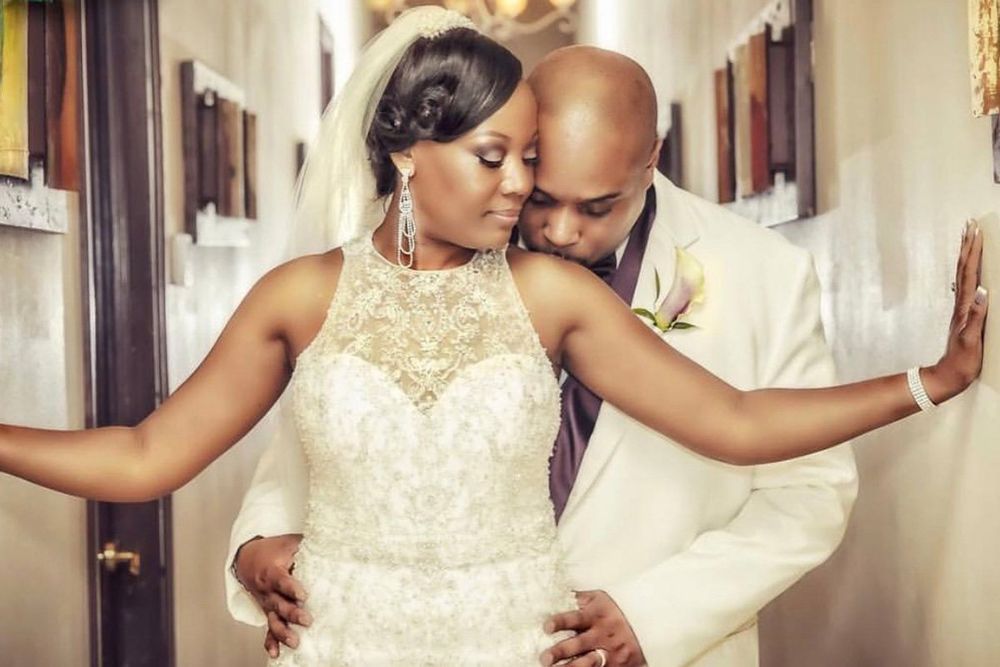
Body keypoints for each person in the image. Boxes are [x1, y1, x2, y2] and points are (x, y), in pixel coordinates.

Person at [0, 7, 988, 667]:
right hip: (350, 644)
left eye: (533, 162)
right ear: (404, 157)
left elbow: (735, 421)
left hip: (533, 641)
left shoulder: (558, 296)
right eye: (500, 160)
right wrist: (255, 542)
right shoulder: (301, 294)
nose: (529, 200)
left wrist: (925, 380)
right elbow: (157, 453)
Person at [225, 43, 866, 667]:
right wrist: (256, 539)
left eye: (596, 207)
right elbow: (334, 417)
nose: (559, 232)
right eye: (540, 194)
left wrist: (657, 615)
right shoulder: (438, 240)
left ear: (652, 161)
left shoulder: (765, 274)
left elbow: (808, 490)